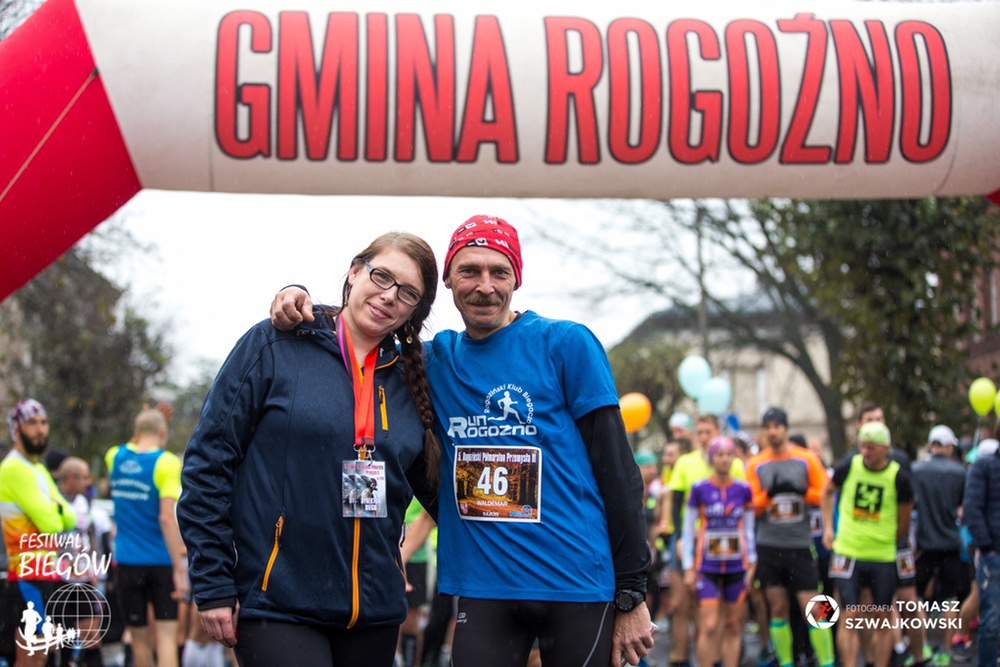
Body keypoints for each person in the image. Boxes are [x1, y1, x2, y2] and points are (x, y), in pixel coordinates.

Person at [269, 215, 655, 667]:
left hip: (578, 583)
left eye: (499, 272)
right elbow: (361, 330)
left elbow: (618, 472)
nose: (485, 286)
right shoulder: (433, 361)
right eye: (470, 271)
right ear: (449, 280)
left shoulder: (566, 343)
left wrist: (632, 592)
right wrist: (301, 299)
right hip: (483, 587)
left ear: (517, 279)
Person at [178, 232, 441, 667]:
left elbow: (439, 494)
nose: (389, 295)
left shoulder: (413, 380)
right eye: (381, 276)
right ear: (354, 272)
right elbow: (209, 464)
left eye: (408, 292)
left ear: (416, 309)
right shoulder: (275, 345)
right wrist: (212, 581)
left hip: (374, 611)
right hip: (277, 602)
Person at [745, 407, 834, 667]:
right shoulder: (756, 463)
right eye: (768, 427)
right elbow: (750, 504)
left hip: (800, 544)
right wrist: (768, 496)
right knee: (778, 607)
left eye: (777, 426)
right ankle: (785, 662)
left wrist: (803, 492)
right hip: (769, 545)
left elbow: (824, 494)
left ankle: (827, 661)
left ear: (786, 428)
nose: (772, 432)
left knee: (813, 606)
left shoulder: (806, 459)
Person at [821, 421, 913, 667]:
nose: (866, 452)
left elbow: (905, 519)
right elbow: (826, 493)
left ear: (886, 448)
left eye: (871, 447)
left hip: (882, 554)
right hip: (848, 551)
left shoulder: (899, 477)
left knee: (882, 616)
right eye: (862, 446)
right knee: (849, 614)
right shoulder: (848, 467)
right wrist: (829, 528)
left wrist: (888, 539)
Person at [107, 409, 187, 667]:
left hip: (127, 562)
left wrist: (145, 419)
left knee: (139, 640)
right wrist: (179, 569)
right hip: (160, 562)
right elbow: (166, 517)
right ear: (163, 432)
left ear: (137, 431)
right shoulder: (167, 462)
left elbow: (133, 445)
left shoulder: (114, 456)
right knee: (166, 640)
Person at [0, 399, 77, 667]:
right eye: (32, 423)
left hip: (47, 573)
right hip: (26, 575)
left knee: (44, 654)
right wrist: (56, 510)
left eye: (43, 422)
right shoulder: (14, 468)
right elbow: (52, 524)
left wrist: (54, 510)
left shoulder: (39, 469)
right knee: (32, 656)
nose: (40, 429)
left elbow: (71, 516)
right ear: (17, 429)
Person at [668, 413, 744, 667]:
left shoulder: (734, 463)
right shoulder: (685, 463)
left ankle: (719, 658)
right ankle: (681, 658)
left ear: (717, 432)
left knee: (723, 615)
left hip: (728, 547)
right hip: (692, 541)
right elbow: (676, 503)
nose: (703, 437)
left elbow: (744, 506)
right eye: (699, 432)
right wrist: (680, 538)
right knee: (681, 603)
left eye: (708, 431)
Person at [681, 437, 756, 667]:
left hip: (736, 565)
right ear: (711, 459)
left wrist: (752, 562)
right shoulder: (699, 488)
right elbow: (688, 529)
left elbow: (749, 530)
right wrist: (688, 567)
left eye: (728, 455)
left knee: (733, 625)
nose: (724, 459)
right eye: (719, 455)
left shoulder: (743, 489)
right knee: (710, 625)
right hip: (707, 566)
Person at [912, 425, 967, 663]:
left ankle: (922, 646)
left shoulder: (917, 470)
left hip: (924, 543)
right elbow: (962, 507)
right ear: (947, 446)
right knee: (949, 600)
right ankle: (946, 650)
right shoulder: (959, 472)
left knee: (917, 599)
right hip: (950, 543)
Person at [55, 456, 107, 667]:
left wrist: (94, 565)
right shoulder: (54, 500)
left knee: (90, 636)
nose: (88, 482)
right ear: (70, 478)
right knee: (62, 638)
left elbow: (90, 534)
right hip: (59, 579)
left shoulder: (84, 501)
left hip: (82, 580)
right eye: (84, 478)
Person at [962, 429, 1000, 666]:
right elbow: (972, 509)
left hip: (991, 551)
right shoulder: (984, 466)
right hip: (993, 554)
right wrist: (988, 547)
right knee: (991, 620)